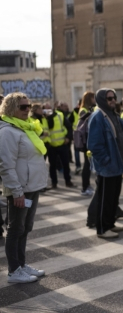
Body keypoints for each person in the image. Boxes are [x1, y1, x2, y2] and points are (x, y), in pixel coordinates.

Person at [0, 93, 47, 283]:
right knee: (15, 228)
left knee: (25, 227)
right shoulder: (7, 131)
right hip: (20, 189)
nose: (28, 109)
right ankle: (13, 271)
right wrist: (17, 191)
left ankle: (21, 264)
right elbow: (6, 164)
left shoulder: (25, 128)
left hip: (32, 186)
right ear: (11, 109)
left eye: (28, 106)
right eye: (23, 107)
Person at [86, 89, 123, 239]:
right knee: (105, 199)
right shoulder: (98, 117)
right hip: (107, 166)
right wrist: (106, 161)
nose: (113, 100)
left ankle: (110, 224)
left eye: (114, 97)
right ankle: (102, 229)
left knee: (113, 197)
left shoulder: (114, 115)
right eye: (109, 98)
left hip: (117, 164)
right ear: (102, 100)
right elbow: (94, 145)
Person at [43, 102, 74, 189]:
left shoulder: (60, 115)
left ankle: (68, 181)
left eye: (49, 108)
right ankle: (54, 183)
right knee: (52, 166)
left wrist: (68, 138)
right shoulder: (43, 118)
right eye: (46, 109)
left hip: (62, 144)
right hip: (51, 146)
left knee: (65, 164)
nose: (48, 111)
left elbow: (69, 126)